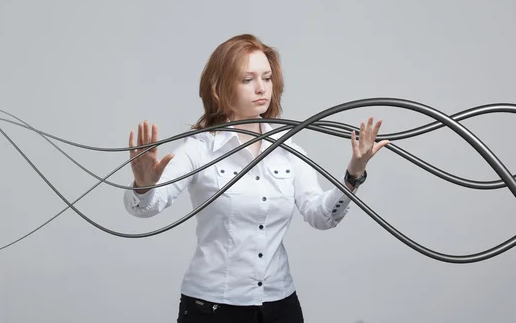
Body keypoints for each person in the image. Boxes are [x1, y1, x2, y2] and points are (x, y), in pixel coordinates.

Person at [122, 34, 390, 322]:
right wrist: (144, 185)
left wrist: (354, 173)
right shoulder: (199, 149)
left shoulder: (290, 151)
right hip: (211, 308)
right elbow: (146, 207)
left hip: (279, 306)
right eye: (247, 79)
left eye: (267, 78)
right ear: (220, 87)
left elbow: (321, 216)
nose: (262, 88)